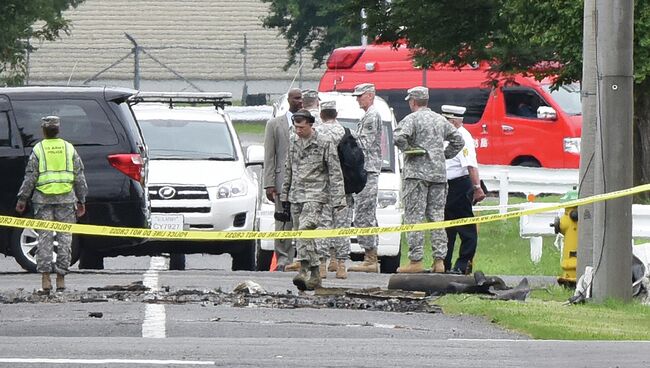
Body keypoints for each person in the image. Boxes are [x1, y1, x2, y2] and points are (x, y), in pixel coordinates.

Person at [393, 87, 464, 273]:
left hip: (416, 175)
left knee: (414, 217)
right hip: (438, 175)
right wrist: (443, 155)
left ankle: (415, 261)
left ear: (413, 102)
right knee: (437, 217)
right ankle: (439, 261)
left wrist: (409, 149)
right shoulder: (440, 120)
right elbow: (458, 140)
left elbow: (398, 137)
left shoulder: (412, 119)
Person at [15, 116, 88, 294]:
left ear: (43, 130)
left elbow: (30, 177)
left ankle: (45, 279)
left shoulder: (38, 149)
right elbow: (79, 177)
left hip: (42, 201)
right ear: (58, 130)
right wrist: (82, 199)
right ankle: (61, 279)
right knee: (65, 239)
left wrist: (22, 199)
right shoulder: (68, 148)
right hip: (66, 200)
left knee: (45, 239)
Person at [281, 109, 346, 290]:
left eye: (301, 127)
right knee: (301, 236)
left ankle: (303, 269)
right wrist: (284, 194)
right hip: (296, 194)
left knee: (304, 230)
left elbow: (335, 171)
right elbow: (289, 168)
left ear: (311, 125)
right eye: (296, 127)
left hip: (315, 194)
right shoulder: (293, 141)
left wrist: (339, 199)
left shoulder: (324, 143)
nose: (298, 130)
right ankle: (316, 273)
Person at [442, 105, 487, 274]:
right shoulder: (449, 136)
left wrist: (477, 187)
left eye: (446, 120)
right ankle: (443, 263)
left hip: (459, 185)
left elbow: (470, 165)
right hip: (448, 186)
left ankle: (463, 264)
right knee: (448, 228)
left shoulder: (463, 137)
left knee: (465, 226)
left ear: (453, 122)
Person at [263, 88, 302, 271]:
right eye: (296, 98)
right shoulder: (274, 124)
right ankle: (283, 258)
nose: (299, 101)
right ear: (289, 100)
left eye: (301, 98)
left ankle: (302, 258)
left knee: (303, 221)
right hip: (281, 181)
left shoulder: (310, 123)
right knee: (282, 220)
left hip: (304, 182)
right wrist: (269, 183)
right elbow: (269, 156)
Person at [347, 83, 383, 273]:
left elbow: (365, 143)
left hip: (368, 169)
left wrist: (347, 135)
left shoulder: (372, 116)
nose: (358, 99)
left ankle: (370, 257)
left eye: (361, 96)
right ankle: (370, 256)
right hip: (365, 169)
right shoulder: (368, 115)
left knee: (364, 214)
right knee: (364, 213)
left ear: (370, 95)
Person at [315, 100, 351, 279]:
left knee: (323, 225)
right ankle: (341, 265)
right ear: (336, 114)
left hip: (321, 185)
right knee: (342, 225)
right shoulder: (344, 131)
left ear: (321, 114)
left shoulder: (317, 133)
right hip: (343, 186)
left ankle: (322, 264)